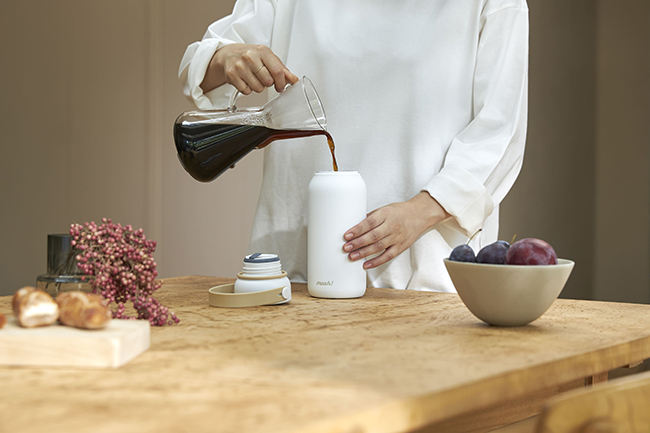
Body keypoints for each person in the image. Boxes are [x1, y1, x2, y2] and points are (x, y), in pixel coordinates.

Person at [179, 0, 528, 292]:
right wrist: (227, 57)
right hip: (293, 273)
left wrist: (420, 211)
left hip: (424, 278)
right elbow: (199, 68)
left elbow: (500, 131)